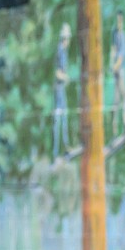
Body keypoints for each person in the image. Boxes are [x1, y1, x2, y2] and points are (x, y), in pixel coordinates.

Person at [109, 11, 125, 138]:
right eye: (117, 21)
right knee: (120, 97)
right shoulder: (115, 33)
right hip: (118, 70)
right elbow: (113, 50)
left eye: (120, 21)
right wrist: (112, 65)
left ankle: (122, 123)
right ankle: (119, 124)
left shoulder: (122, 35)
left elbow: (121, 56)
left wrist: (114, 67)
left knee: (120, 96)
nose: (118, 23)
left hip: (120, 69)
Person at [53, 22, 72, 160]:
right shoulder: (60, 51)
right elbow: (57, 73)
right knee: (59, 119)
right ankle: (57, 152)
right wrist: (66, 78)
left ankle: (64, 148)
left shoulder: (63, 51)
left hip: (61, 89)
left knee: (62, 118)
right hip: (59, 89)